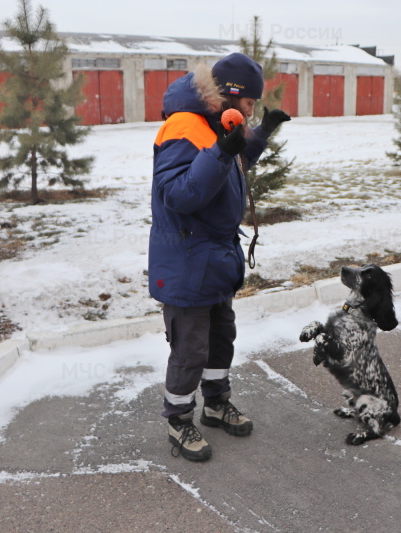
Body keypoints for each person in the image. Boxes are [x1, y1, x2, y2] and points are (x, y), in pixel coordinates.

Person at [149, 52, 290, 461]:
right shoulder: (183, 126)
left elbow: (232, 161)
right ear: (229, 96)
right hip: (186, 260)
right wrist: (223, 151)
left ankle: (214, 404)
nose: (251, 111)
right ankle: (178, 421)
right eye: (249, 105)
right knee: (190, 349)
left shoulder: (217, 125)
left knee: (219, 339)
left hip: (215, 259)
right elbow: (179, 194)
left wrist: (259, 134)